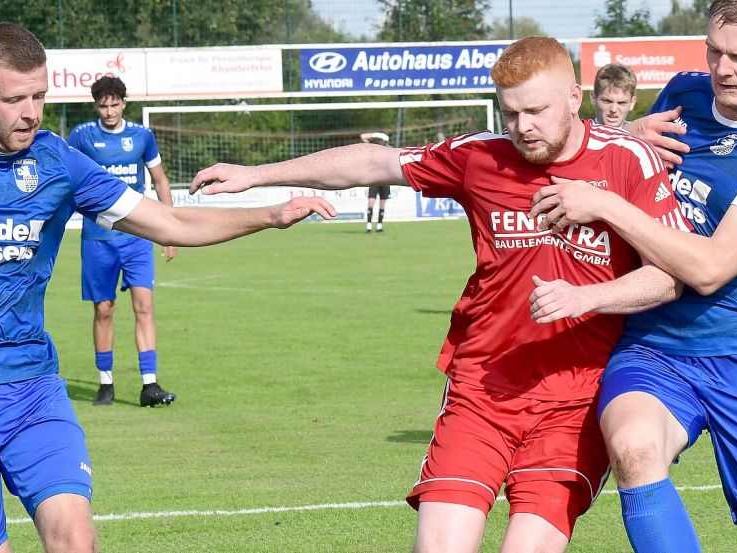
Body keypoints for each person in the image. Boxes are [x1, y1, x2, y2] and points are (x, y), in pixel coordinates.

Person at [192, 36, 690, 553]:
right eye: (511, 113)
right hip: (482, 390)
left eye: (536, 110)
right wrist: (258, 174)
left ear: (573, 97)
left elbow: (671, 275)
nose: (523, 127)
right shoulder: (480, 157)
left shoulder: (630, 161)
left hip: (574, 402)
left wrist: (588, 298)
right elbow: (372, 163)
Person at [0, 22, 334, 553]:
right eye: (14, 99)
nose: (31, 113)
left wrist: (272, 214)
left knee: (76, 538)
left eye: (40, 96)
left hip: (31, 389)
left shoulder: (57, 161)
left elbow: (170, 224)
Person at [529, 1, 737, 552]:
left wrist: (606, 206)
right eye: (714, 51)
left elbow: (709, 269)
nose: (722, 70)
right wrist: (629, 137)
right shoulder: (684, 93)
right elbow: (622, 166)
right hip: (656, 342)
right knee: (634, 446)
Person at [67, 76, 177, 407]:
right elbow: (63, 178)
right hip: (98, 239)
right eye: (103, 104)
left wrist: (170, 229)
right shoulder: (82, 136)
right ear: (95, 106)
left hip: (138, 237)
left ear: (124, 104)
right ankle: (106, 383)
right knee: (104, 309)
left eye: (115, 103)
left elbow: (159, 180)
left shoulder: (142, 136)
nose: (110, 110)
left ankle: (150, 385)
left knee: (144, 305)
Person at [590, 63, 638, 128]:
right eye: (607, 101)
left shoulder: (640, 137)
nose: (613, 109)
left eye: (621, 103)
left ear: (632, 103)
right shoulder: (578, 135)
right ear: (593, 98)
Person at [361, 131, 391, 232]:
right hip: (374, 180)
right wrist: (375, 134)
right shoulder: (372, 149)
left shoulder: (388, 150)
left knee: (382, 204)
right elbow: (363, 137)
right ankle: (369, 225)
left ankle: (379, 226)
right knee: (371, 203)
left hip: (385, 180)